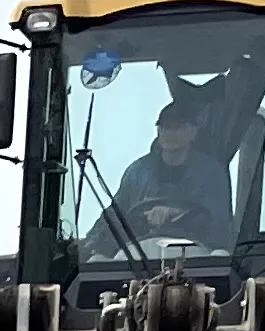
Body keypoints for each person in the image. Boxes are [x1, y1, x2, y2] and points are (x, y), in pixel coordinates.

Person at [97, 92, 239, 255]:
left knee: (220, 255)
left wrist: (175, 213)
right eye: (165, 127)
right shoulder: (137, 172)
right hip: (140, 259)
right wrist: (90, 241)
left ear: (193, 132)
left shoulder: (212, 173)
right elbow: (116, 213)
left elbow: (219, 222)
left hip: (197, 258)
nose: (170, 133)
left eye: (178, 127)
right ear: (158, 131)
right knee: (96, 260)